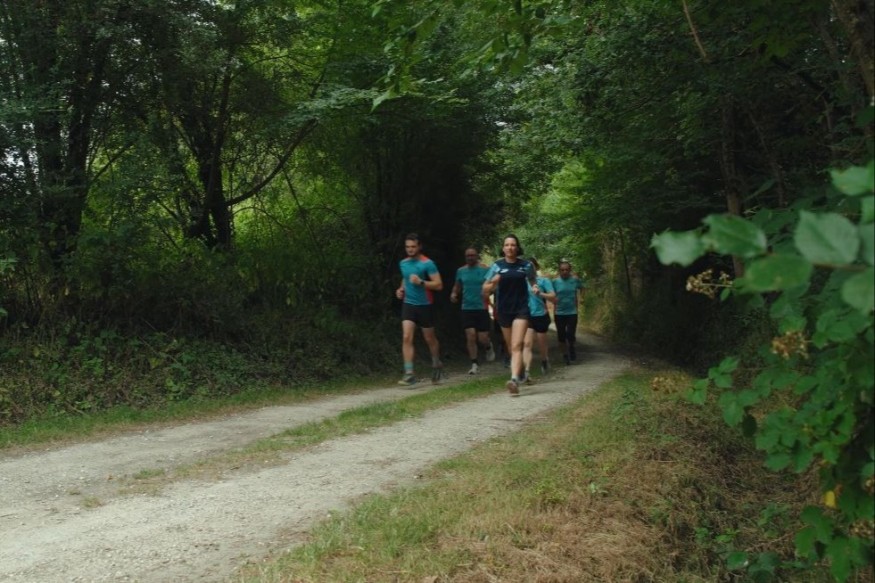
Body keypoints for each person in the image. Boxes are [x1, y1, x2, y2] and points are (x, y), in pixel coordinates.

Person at [483, 234, 539, 396]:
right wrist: (494, 283)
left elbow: (533, 280)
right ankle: (520, 372)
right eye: (507, 245)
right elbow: (485, 289)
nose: (510, 247)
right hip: (503, 310)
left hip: (521, 309)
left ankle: (513, 380)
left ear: (517, 247)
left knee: (516, 345)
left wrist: (535, 287)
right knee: (510, 346)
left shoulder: (526, 265)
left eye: (513, 245)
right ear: (503, 248)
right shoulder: (497, 266)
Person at [395, 233, 444, 386]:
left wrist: (421, 282)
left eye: (413, 247)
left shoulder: (427, 263)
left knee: (429, 338)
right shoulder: (403, 263)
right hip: (408, 304)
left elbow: (439, 285)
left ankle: (436, 364)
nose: (410, 249)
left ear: (419, 246)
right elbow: (405, 278)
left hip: (425, 305)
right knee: (406, 337)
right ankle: (409, 373)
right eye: (407, 247)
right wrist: (401, 289)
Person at [450, 247, 496, 374]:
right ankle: (474, 364)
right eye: (468, 256)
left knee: (482, 338)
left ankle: (488, 346)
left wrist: (489, 292)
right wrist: (454, 294)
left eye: (472, 255)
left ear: (477, 256)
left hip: (481, 307)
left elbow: (493, 285)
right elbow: (457, 286)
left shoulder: (485, 269)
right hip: (467, 307)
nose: (470, 258)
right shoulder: (461, 271)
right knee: (470, 335)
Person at [522, 257, 556, 381]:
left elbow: (553, 296)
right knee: (527, 343)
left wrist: (540, 293)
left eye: (531, 266)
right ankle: (527, 371)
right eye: (526, 266)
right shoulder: (521, 282)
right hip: (526, 315)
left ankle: (544, 360)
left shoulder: (544, 281)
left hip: (540, 315)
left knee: (542, 342)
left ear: (536, 267)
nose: (529, 268)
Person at [552, 259, 586, 364]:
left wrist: (582, 298)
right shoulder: (555, 282)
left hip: (572, 312)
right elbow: (550, 293)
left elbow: (583, 288)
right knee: (561, 336)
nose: (565, 272)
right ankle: (565, 355)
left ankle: (571, 348)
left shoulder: (575, 280)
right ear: (559, 271)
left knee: (571, 334)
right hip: (559, 312)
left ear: (570, 270)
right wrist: (552, 300)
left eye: (566, 270)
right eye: (562, 270)